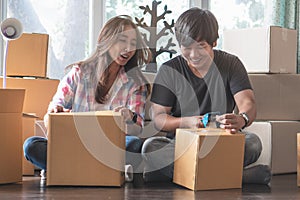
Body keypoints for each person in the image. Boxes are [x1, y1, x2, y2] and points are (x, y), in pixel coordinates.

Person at [141, 7, 271, 185]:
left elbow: (247, 102)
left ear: (214, 42)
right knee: (151, 147)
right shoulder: (169, 70)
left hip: (221, 142)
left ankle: (183, 175)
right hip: (181, 145)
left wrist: (242, 119)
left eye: (201, 47)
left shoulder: (230, 63)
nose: (194, 55)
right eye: (187, 47)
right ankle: (237, 177)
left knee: (253, 143)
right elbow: (158, 118)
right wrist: (187, 121)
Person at [23, 15, 152, 179]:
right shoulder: (80, 72)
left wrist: (129, 116)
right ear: (107, 40)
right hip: (74, 144)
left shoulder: (136, 84)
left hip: (109, 147)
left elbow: (137, 129)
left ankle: (68, 169)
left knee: (134, 145)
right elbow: (51, 114)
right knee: (32, 146)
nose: (128, 48)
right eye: (122, 40)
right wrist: (55, 112)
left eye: (133, 44)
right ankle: (99, 170)